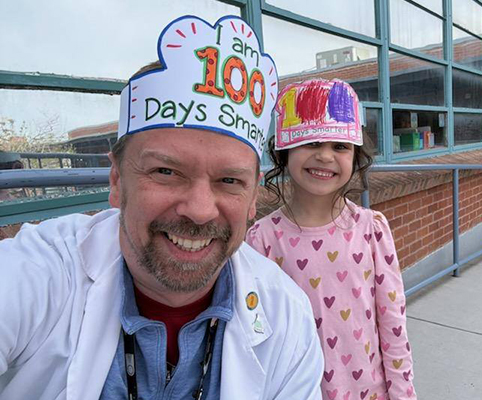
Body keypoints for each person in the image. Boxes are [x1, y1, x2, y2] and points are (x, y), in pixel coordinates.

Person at [0, 15, 323, 400]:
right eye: (166, 171)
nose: (200, 210)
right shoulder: (40, 276)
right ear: (117, 180)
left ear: (253, 198)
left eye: (230, 181)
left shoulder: (288, 317)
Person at [246, 79, 417, 400]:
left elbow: (393, 325)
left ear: (355, 157)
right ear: (285, 152)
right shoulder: (262, 239)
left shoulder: (372, 229)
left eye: (339, 146)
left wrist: (403, 394)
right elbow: (257, 336)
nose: (325, 156)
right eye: (311, 143)